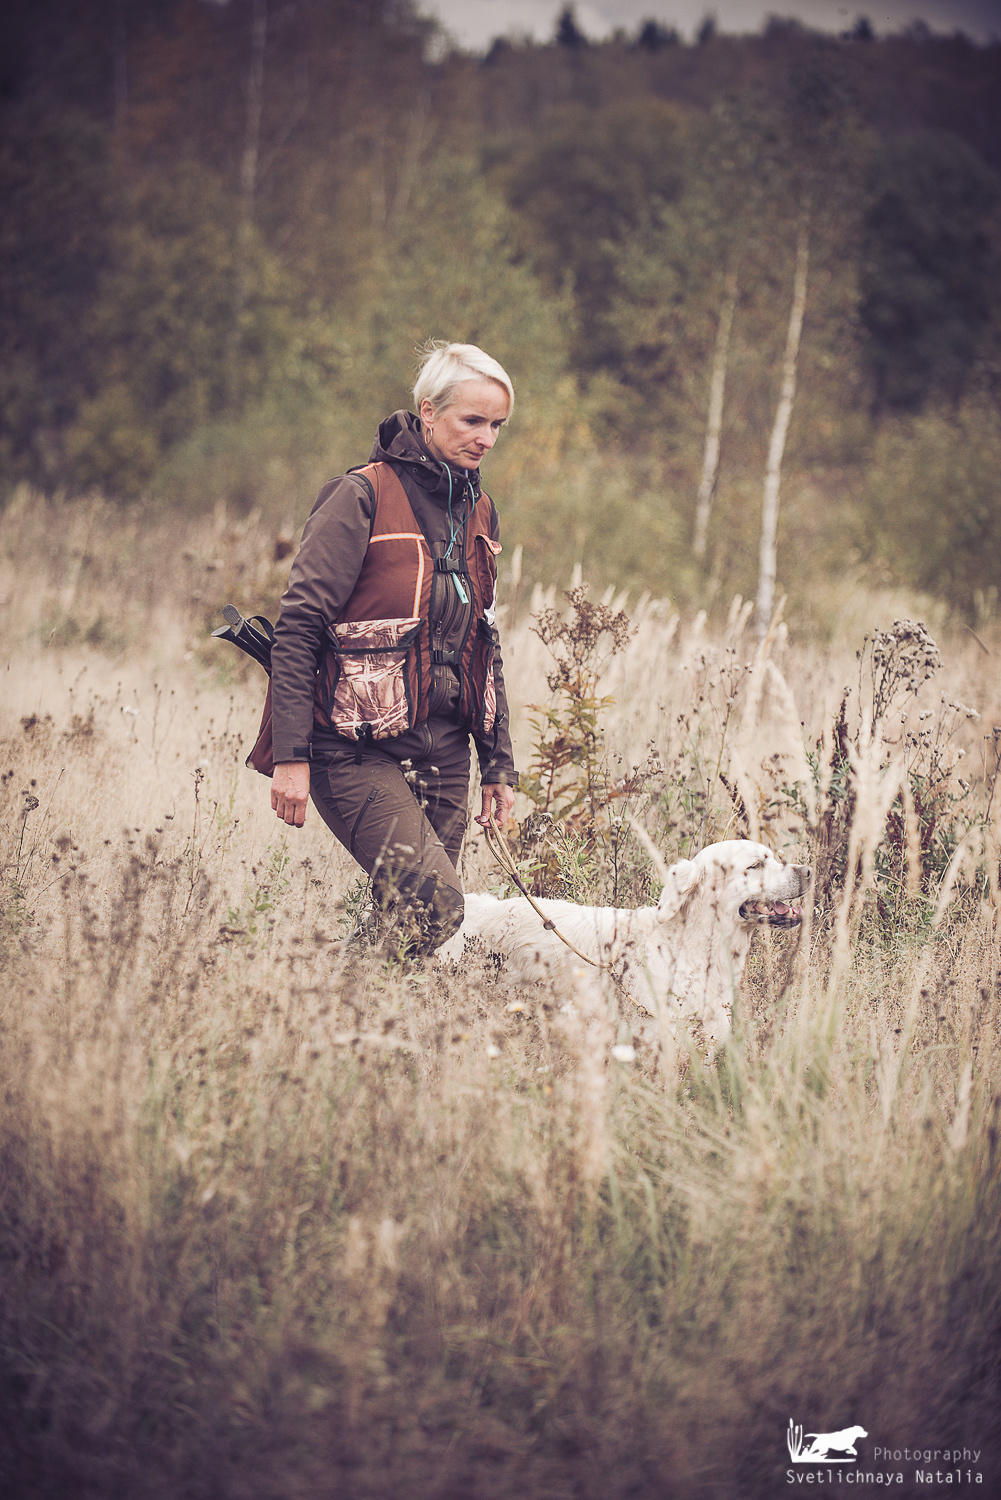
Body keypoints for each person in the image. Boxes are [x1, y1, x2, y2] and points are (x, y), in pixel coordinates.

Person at [268, 342, 518, 954]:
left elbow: (482, 640)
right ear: (428, 411)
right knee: (437, 908)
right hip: (350, 747)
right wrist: (289, 755)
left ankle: (356, 1032)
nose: (486, 438)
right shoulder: (360, 496)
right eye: (472, 420)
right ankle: (337, 1016)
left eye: (497, 426)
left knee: (410, 925)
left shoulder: (478, 508)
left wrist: (498, 763)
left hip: (446, 750)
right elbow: (299, 627)